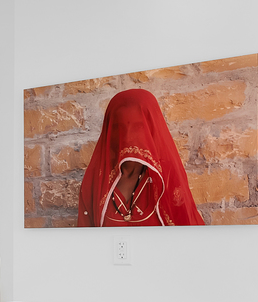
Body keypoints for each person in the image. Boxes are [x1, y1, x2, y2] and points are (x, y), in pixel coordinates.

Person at [75, 88, 204, 227]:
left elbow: (186, 231)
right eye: (120, 127)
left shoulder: (166, 178)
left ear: (151, 129)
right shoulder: (97, 180)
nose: (128, 136)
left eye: (137, 127)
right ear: (110, 131)